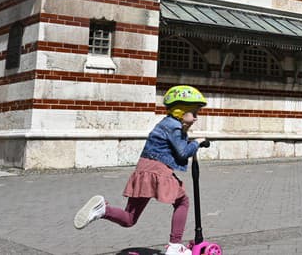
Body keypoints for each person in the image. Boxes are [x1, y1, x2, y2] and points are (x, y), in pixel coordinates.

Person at [73, 85, 208, 255]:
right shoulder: (173, 126)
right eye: (194, 113)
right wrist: (197, 142)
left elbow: (176, 147)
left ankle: (102, 210)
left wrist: (189, 137)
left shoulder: (167, 124)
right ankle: (175, 246)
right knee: (182, 201)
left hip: (145, 169)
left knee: (129, 218)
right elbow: (182, 152)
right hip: (158, 170)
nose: (196, 118)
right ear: (181, 111)